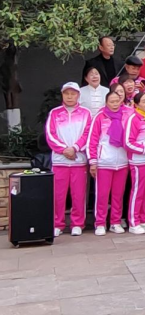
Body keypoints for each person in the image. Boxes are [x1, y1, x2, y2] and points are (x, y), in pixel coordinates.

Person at [46, 82, 92, 237]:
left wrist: (75, 148)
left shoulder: (86, 113)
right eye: (67, 93)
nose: (70, 96)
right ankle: (57, 224)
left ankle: (77, 224)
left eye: (73, 94)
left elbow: (88, 134)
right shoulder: (54, 113)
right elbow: (50, 134)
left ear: (78, 95)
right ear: (62, 95)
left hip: (79, 161)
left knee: (79, 195)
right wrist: (64, 149)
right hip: (60, 161)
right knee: (58, 195)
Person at [87, 91, 128, 236]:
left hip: (122, 162)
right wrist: (93, 161)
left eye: (117, 101)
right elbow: (92, 140)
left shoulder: (126, 116)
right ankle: (100, 223)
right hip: (104, 162)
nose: (115, 104)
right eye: (112, 101)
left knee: (118, 194)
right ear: (106, 103)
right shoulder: (100, 117)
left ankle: (115, 222)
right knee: (102, 195)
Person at [124, 92, 145, 234]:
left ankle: (144, 220)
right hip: (139, 161)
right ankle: (133, 222)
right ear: (136, 104)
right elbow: (128, 142)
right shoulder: (133, 118)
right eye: (143, 101)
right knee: (137, 191)